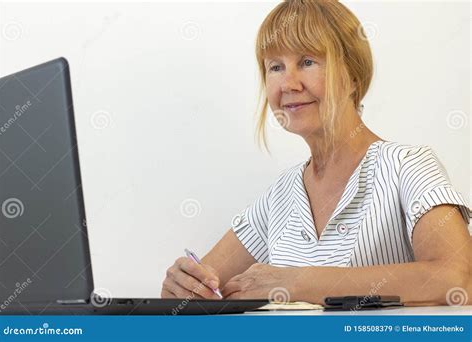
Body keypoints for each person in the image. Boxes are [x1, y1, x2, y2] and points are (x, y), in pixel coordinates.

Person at [161, 0, 471, 306]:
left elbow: (457, 278)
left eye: (308, 61)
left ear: (352, 76)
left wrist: (296, 281)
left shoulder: (407, 166)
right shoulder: (279, 197)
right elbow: (199, 293)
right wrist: (183, 286)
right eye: (275, 67)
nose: (288, 83)